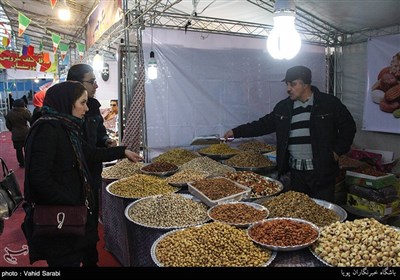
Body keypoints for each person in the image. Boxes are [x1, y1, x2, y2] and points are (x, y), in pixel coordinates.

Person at [21, 81, 142, 267]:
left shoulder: (67, 127)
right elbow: (39, 178)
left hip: (73, 212)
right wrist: (72, 202)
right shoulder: (47, 130)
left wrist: (122, 152)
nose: (86, 108)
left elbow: (90, 153)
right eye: (82, 103)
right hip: (60, 219)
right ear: (67, 102)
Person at [224, 66, 356, 203]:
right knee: (299, 208)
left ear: (306, 84)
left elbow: (349, 127)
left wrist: (336, 152)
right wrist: (236, 131)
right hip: (296, 172)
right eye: (287, 84)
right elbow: (262, 125)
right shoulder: (283, 107)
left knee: (323, 210)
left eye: (293, 84)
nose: (288, 89)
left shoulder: (329, 103)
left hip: (322, 171)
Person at [66, 64, 117, 266]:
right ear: (77, 84)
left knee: (90, 222)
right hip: (71, 182)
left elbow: (98, 135)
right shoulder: (60, 118)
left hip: (92, 175)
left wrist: (106, 142)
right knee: (72, 224)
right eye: (92, 81)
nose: (96, 85)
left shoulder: (93, 107)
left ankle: (90, 259)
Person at [5, 99, 32, 167]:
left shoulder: (9, 113)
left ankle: (21, 163)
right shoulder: (24, 112)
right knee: (27, 149)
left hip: (16, 134)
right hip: (26, 133)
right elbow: (31, 119)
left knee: (18, 150)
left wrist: (12, 129)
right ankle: (28, 162)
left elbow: (8, 124)